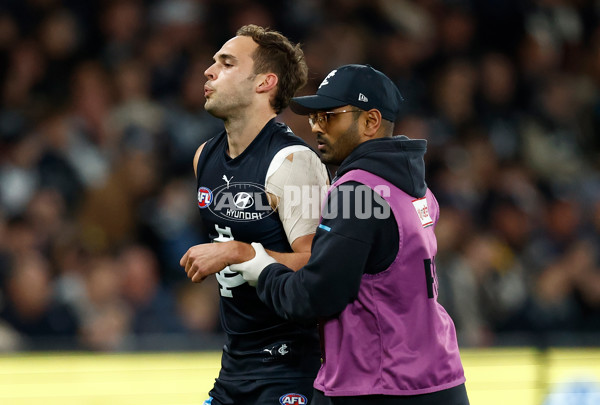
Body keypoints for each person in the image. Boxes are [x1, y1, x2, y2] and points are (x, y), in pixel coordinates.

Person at [227, 64, 471, 404]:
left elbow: (316, 296)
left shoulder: (357, 192)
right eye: (315, 118)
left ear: (371, 121)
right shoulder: (415, 188)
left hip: (379, 385)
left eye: (330, 116)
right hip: (438, 379)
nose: (316, 127)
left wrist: (262, 270)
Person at [179, 25, 329, 405]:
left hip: (292, 365)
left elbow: (319, 267)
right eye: (213, 62)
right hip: (234, 366)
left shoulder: (292, 162)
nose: (208, 71)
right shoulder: (205, 157)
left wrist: (240, 253)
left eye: (226, 63)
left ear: (265, 82)